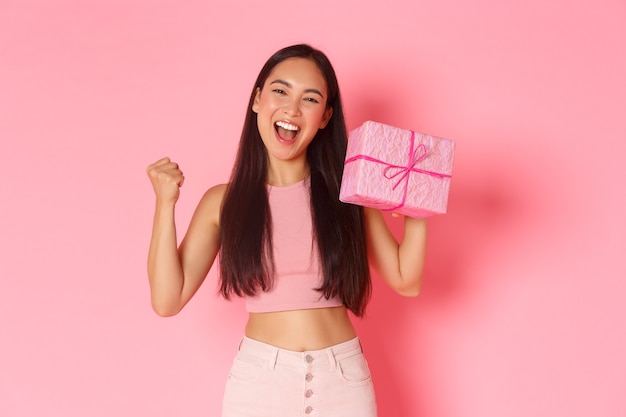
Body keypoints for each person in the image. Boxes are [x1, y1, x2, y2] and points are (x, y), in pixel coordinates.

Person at [146, 44, 427, 417]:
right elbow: (168, 300)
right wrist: (165, 204)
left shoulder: (351, 192)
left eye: (309, 99)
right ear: (258, 100)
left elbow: (407, 280)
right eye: (281, 91)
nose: (292, 109)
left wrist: (419, 204)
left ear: (325, 116)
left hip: (342, 382)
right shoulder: (223, 202)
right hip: (260, 384)